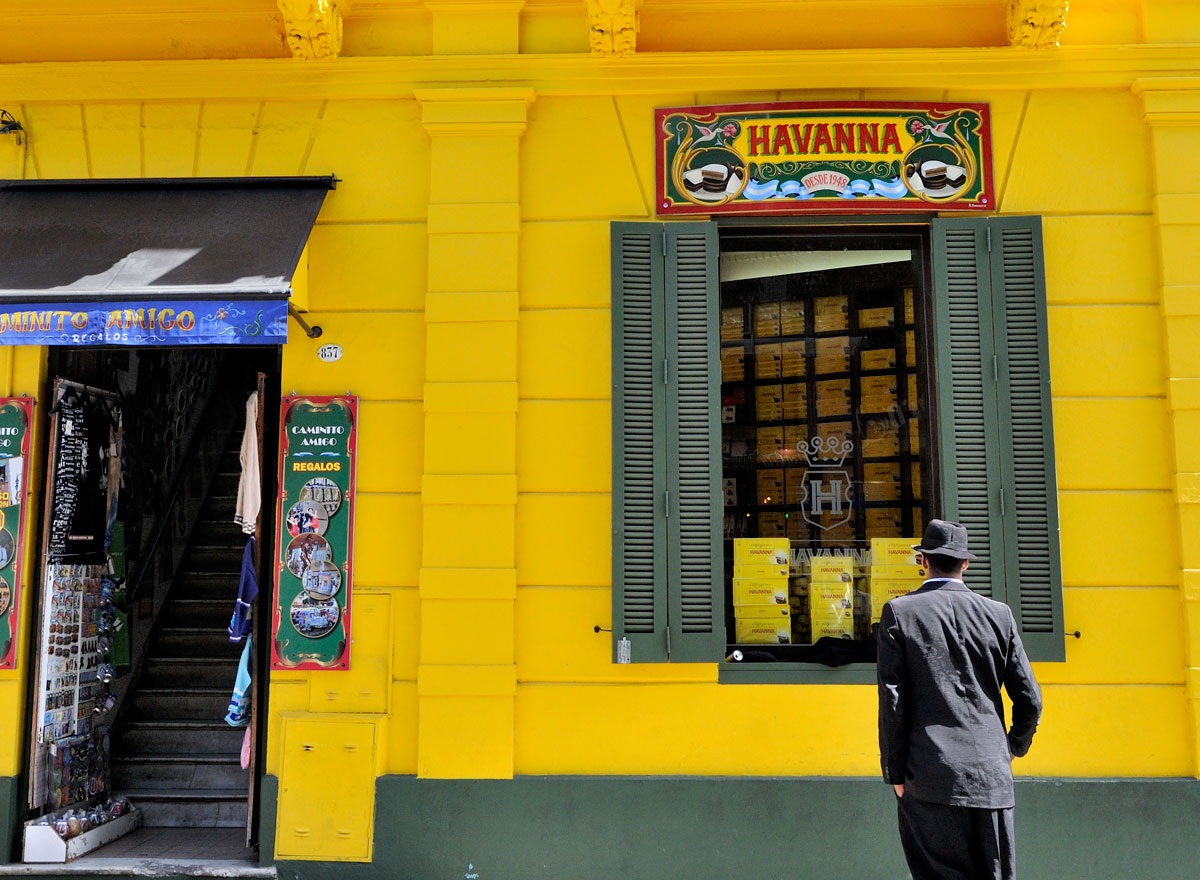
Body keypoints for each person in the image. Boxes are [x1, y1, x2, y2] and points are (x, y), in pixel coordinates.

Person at [876, 519, 1043, 880]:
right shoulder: (1000, 616)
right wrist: (1014, 746)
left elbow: (893, 703)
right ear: (965, 563)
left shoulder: (900, 613)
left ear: (924, 561)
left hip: (929, 773)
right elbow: (1030, 699)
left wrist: (894, 773)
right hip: (991, 777)